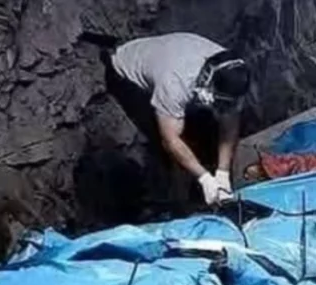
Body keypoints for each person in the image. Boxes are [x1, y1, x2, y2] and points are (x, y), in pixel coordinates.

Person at [105, 32, 251, 211]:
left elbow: (230, 123)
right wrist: (204, 178)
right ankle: (172, 204)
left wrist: (223, 172)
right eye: (220, 101)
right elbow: (171, 140)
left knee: (203, 132)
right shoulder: (175, 82)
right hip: (126, 76)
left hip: (174, 65)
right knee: (162, 145)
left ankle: (204, 188)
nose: (224, 107)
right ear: (207, 81)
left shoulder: (230, 69)